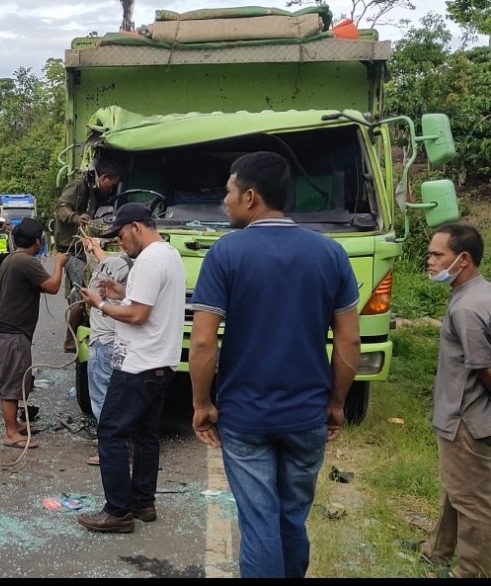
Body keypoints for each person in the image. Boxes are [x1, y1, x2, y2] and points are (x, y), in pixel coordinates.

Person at [188, 152, 360, 578]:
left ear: (250, 197)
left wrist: (201, 402)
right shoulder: (331, 253)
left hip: (245, 417)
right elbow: (350, 339)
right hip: (306, 415)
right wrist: (337, 402)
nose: (225, 201)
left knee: (260, 522)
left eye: (229, 191)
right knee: (291, 518)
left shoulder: (225, 254)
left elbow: (205, 339)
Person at [75, 202, 185, 533]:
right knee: (145, 433)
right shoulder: (169, 255)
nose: (120, 244)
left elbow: (138, 316)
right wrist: (121, 292)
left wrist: (101, 304)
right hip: (160, 362)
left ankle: (118, 511)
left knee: (111, 430)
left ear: (137, 227)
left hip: (137, 362)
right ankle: (143, 503)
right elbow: (146, 302)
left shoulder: (149, 260)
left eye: (121, 236)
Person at [416, 222, 491, 578]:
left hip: (466, 420)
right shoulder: (481, 294)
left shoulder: (467, 309)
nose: (429, 261)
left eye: (436, 255)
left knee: (473, 502)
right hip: (462, 416)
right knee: (458, 489)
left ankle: (471, 570)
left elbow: (485, 368)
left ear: (462, 260)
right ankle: (437, 551)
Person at [0, 218, 68, 449]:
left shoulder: (13, 259)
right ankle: (11, 433)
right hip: (11, 335)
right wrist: (60, 263)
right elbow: (53, 287)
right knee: (12, 384)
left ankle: (16, 424)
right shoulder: (26, 262)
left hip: (9, 333)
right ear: (38, 240)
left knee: (18, 380)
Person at [56, 160, 122, 352]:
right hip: (71, 250)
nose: (112, 189)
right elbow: (61, 208)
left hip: (85, 248)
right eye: (112, 184)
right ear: (103, 178)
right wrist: (76, 218)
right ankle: (70, 338)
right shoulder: (78, 186)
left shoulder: (95, 191)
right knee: (83, 293)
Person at [80, 235, 132, 466]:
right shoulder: (135, 263)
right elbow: (110, 264)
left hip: (104, 340)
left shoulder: (117, 264)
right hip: (120, 339)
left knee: (103, 398)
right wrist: (96, 251)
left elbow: (95, 290)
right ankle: (114, 439)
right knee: (118, 396)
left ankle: (110, 449)